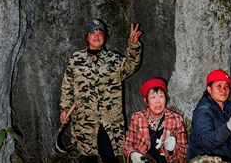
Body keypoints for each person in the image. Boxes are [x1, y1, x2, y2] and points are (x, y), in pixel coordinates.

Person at [59, 20, 142, 163]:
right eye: (93, 32)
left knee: (110, 155)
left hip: (109, 118)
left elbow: (131, 65)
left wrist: (133, 46)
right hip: (85, 119)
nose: (97, 36)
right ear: (87, 36)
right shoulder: (76, 59)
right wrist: (65, 109)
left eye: (100, 33)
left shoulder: (113, 59)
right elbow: (67, 85)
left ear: (105, 37)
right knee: (89, 157)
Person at [188, 69, 231, 163]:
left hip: (226, 151)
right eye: (219, 86)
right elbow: (206, 143)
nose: (224, 90)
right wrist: (227, 128)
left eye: (227, 86)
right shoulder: (203, 111)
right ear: (209, 89)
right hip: (206, 157)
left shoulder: (229, 106)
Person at [123, 78, 188, 163]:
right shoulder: (137, 118)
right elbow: (127, 144)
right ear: (146, 101)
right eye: (153, 97)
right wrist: (133, 155)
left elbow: (184, 151)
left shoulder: (176, 119)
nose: (158, 101)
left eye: (161, 96)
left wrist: (173, 148)